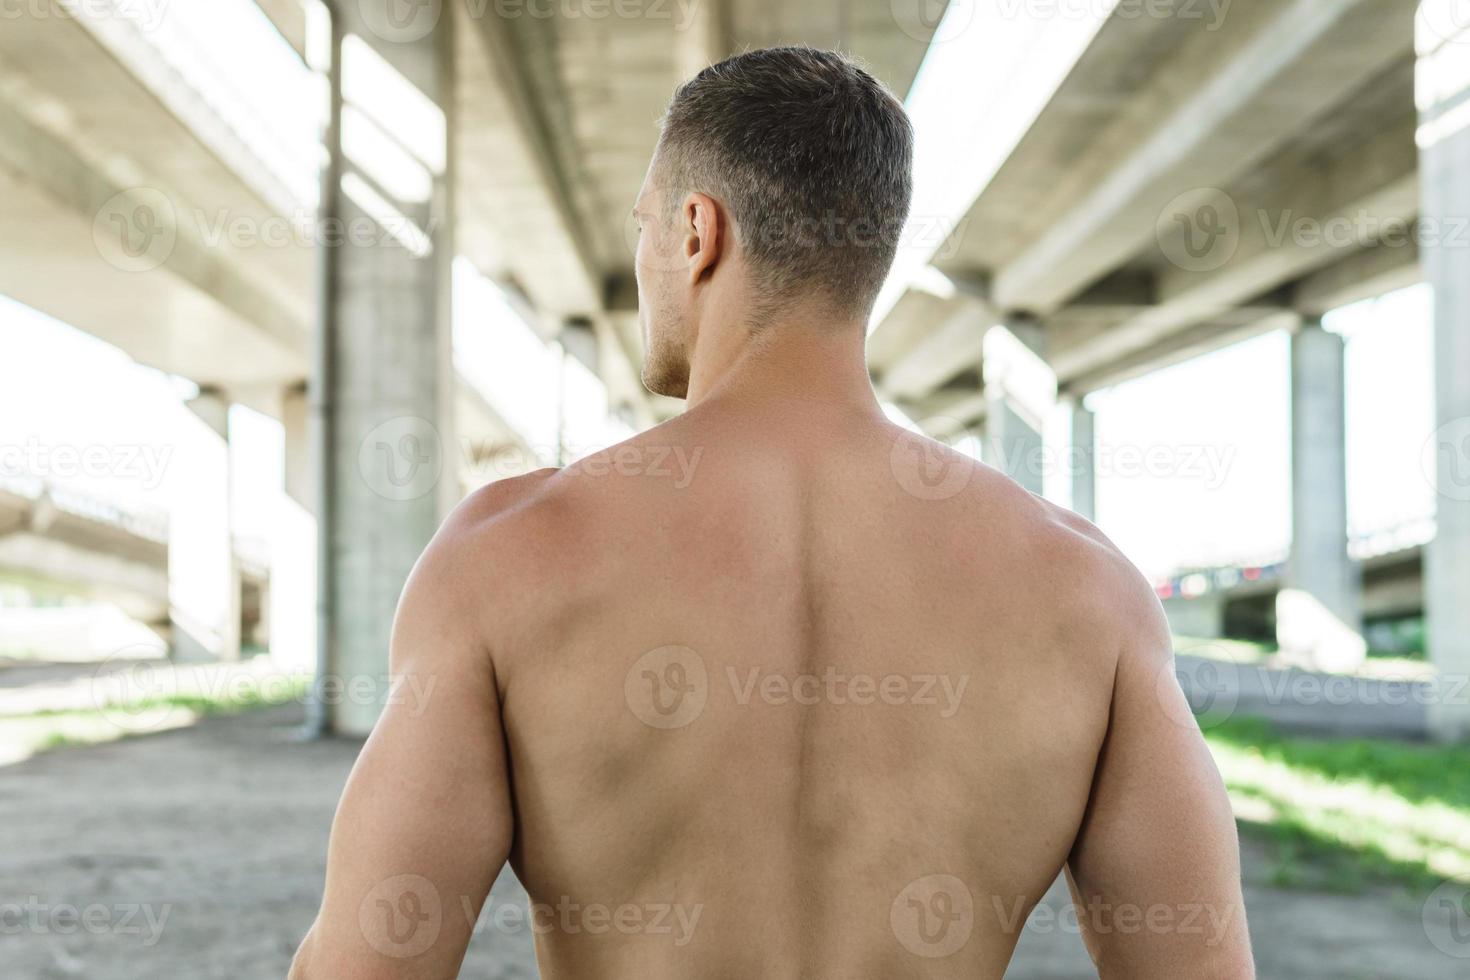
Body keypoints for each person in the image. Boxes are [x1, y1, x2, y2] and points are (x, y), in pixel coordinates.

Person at [290, 46, 1253, 979]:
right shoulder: (1088, 588)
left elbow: (371, 965)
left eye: (644, 228)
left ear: (697, 233)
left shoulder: (506, 555)